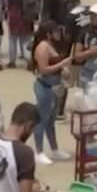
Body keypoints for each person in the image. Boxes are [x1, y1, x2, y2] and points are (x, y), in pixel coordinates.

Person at [30, 20, 71, 165]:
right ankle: (39, 151)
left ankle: (54, 148)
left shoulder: (51, 45)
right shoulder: (42, 47)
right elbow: (43, 69)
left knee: (50, 121)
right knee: (41, 120)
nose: (59, 34)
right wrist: (62, 64)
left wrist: (63, 69)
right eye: (56, 31)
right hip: (44, 87)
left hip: (55, 87)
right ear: (48, 34)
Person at [72, 3, 97, 88]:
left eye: (95, 16)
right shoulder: (84, 33)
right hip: (87, 75)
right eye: (91, 15)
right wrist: (91, 52)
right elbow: (76, 57)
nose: (92, 18)